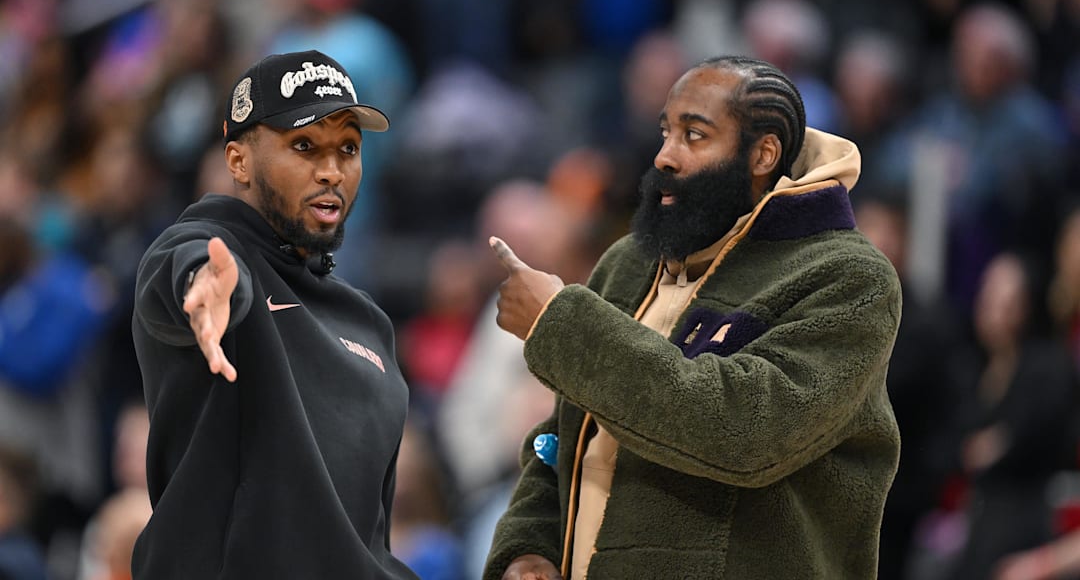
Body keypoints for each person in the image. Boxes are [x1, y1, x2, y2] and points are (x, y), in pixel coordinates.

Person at [483, 56, 903, 579]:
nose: (665, 156)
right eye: (665, 132)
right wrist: (528, 548)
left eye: (695, 135)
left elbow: (746, 430)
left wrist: (558, 323)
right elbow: (561, 437)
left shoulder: (848, 277)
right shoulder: (628, 263)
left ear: (763, 154)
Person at [131, 50, 418, 579]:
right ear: (238, 160)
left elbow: (369, 534)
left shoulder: (371, 324)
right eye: (304, 146)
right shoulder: (203, 249)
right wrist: (207, 288)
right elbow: (194, 269)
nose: (332, 171)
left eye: (348, 148)